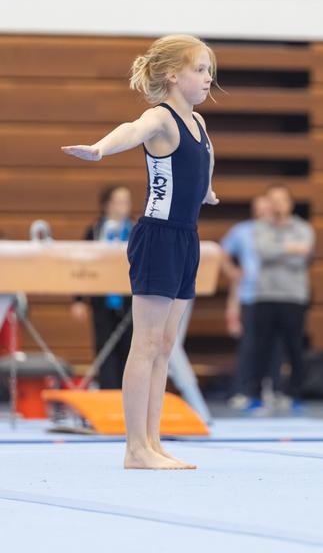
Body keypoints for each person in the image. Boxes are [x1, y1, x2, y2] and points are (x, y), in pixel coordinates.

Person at [62, 34, 219, 470]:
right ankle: (134, 448)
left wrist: (205, 189)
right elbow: (132, 131)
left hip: (187, 236)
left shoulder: (199, 124)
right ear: (173, 75)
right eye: (200, 70)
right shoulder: (161, 117)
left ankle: (153, 441)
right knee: (147, 341)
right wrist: (99, 148)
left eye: (210, 70)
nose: (209, 78)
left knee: (165, 344)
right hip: (158, 236)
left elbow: (205, 157)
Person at [247, 184, 315, 413]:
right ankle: (256, 395)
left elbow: (301, 259)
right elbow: (262, 252)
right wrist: (290, 248)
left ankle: (294, 394)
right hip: (265, 295)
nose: (277, 204)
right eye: (272, 200)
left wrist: (280, 249)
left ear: (289, 203)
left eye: (281, 200)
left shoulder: (303, 228)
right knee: (261, 348)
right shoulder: (258, 227)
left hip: (293, 296)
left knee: (294, 346)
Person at [221, 195, 286, 411]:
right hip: (251, 295)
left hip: (276, 294)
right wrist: (233, 272)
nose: (262, 212)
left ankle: (272, 390)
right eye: (259, 208)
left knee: (276, 345)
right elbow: (222, 252)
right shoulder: (243, 231)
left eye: (266, 208)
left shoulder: (280, 231)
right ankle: (242, 390)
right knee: (249, 345)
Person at [71, 185, 134, 390]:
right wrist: (79, 300)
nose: (123, 206)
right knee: (104, 348)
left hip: (131, 300)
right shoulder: (95, 230)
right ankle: (108, 392)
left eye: (126, 201)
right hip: (103, 299)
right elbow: (83, 265)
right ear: (106, 205)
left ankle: (128, 394)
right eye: (118, 201)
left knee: (129, 348)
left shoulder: (135, 229)